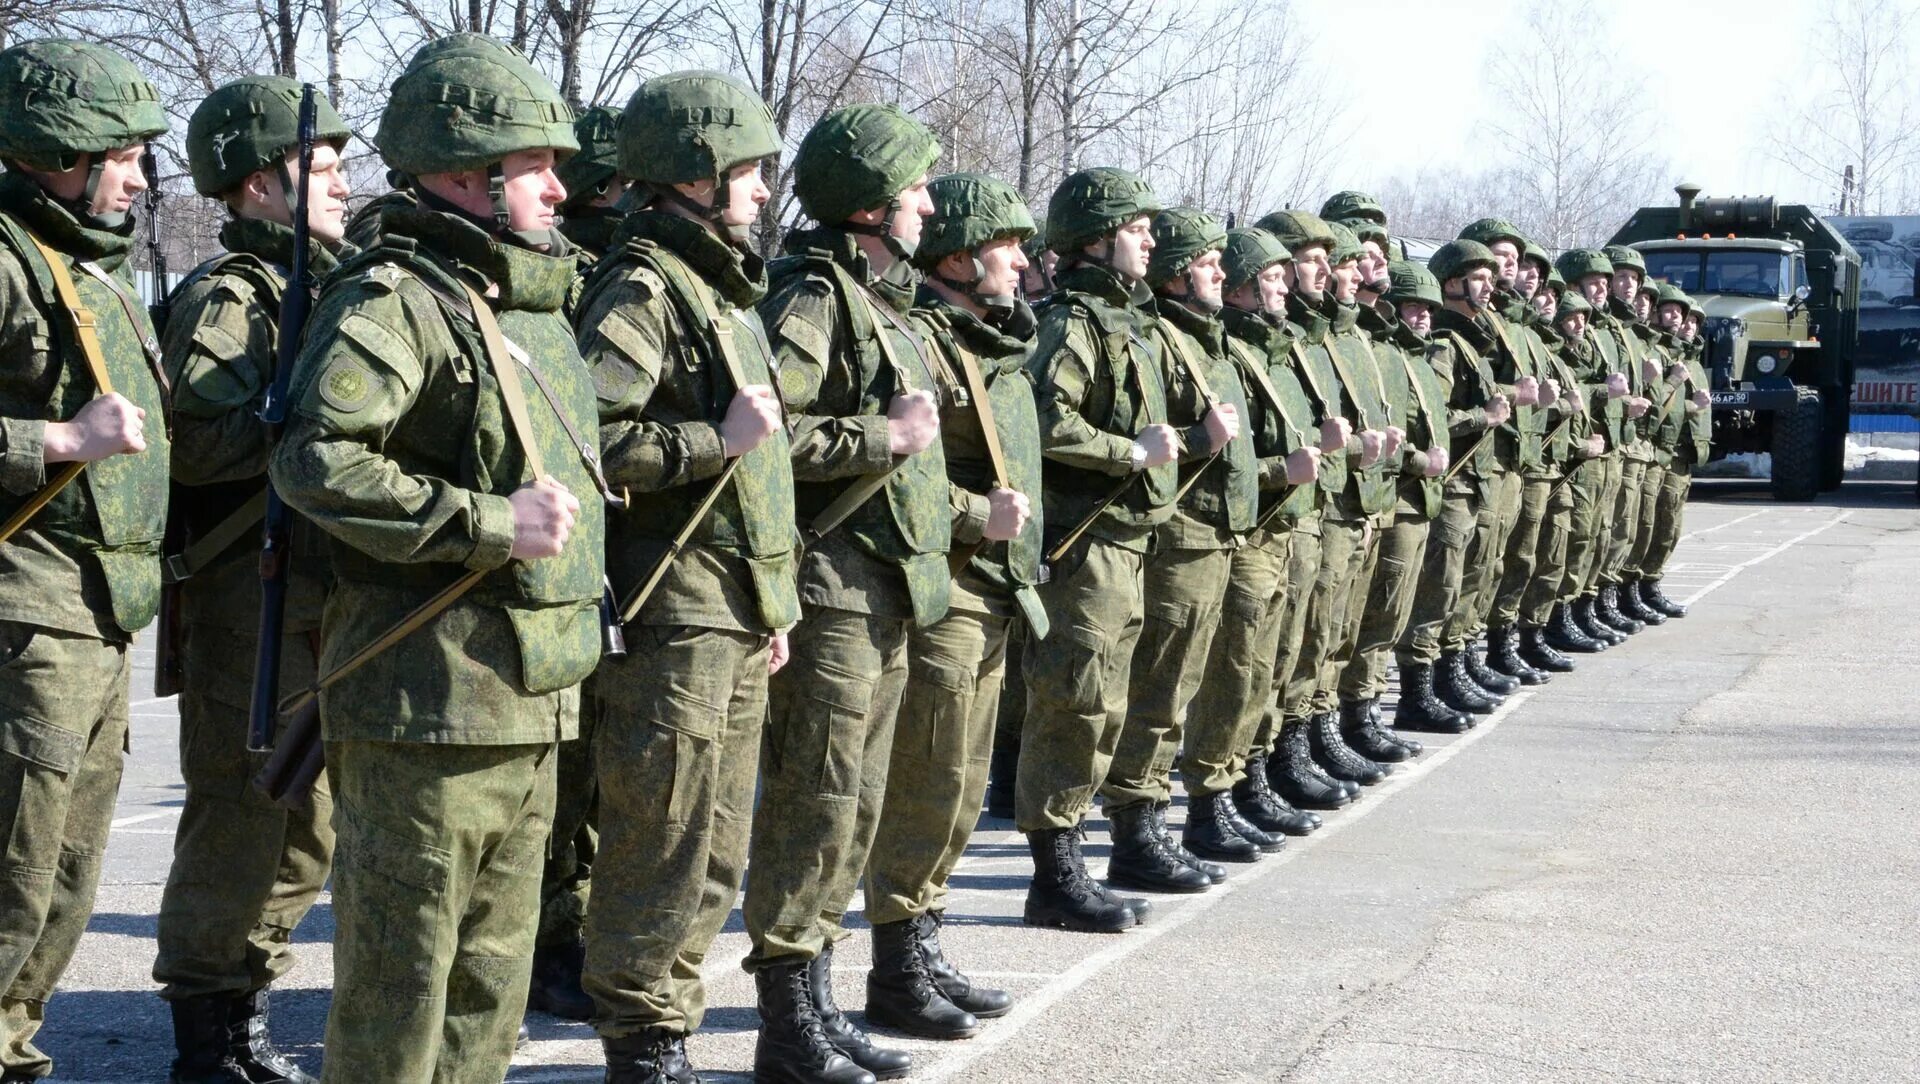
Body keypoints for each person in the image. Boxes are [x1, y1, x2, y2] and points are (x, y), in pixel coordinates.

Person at [268, 34, 606, 1082]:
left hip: (528, 701)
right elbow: (316, 460)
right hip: (425, 711)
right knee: (401, 988)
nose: (560, 184)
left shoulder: (518, 301)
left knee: (488, 990)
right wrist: (490, 521)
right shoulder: (396, 300)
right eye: (535, 163)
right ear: (466, 173)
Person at [570, 70, 796, 1083]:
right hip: (673, 609)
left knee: (712, 845)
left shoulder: (720, 287)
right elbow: (589, 441)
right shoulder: (644, 287)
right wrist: (715, 438)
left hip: (731, 608)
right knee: (661, 837)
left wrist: (769, 603)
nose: (758, 190)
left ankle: (669, 1023)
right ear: (696, 177)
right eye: (746, 172)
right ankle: (642, 1041)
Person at [155, 75, 354, 1084]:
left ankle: (249, 1004)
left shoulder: (320, 287)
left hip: (319, 597)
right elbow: (192, 443)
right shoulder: (229, 298)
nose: (341, 183)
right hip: (250, 596)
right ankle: (208, 1034)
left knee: (304, 825)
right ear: (256, 188)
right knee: (240, 817)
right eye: (319, 167)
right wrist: (296, 412)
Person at [745, 102, 947, 1084]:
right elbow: (772, 431)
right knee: (814, 806)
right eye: (912, 188)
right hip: (831, 587)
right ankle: (787, 1026)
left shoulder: (880, 302)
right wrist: (884, 437)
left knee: (855, 810)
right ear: (868, 205)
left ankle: (819, 1006)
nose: (927, 203)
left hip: (882, 590)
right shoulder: (814, 297)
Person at [0, 38, 170, 1083]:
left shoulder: (80, 265)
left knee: (64, 876)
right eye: (124, 152)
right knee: (14, 874)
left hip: (98, 612)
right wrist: (56, 444)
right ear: (61, 151)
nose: (141, 176)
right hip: (31, 607)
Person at [864, 170, 1043, 1037]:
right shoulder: (926, 345)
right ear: (962, 257)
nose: (1020, 261)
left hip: (993, 585)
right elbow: (904, 479)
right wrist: (981, 517)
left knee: (965, 785)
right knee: (927, 781)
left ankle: (923, 941)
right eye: (1005, 246)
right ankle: (896, 965)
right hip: (945, 588)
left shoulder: (990, 343)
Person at [1017, 166, 1175, 933]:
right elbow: (1046, 421)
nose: (1149, 238)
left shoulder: (1126, 324)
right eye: (1134, 226)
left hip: (1126, 542)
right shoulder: (1070, 323)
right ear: (1095, 239)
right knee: (1073, 705)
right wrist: (1130, 453)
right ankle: (1054, 873)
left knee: (1106, 705)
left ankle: (1081, 851)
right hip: (1085, 544)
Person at [1103, 206, 1257, 877]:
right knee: (1160, 690)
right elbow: (1151, 440)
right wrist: (1199, 443)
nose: (1220, 272)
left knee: (1190, 680)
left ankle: (1182, 813)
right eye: (1205, 262)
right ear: (1173, 275)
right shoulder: (1162, 338)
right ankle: (1136, 830)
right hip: (1180, 535)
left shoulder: (1205, 341)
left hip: (1215, 534)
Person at [1252, 209, 1374, 809]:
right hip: (1285, 514)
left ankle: (1298, 741)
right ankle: (1263, 763)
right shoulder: (1274, 341)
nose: (1327, 271)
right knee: (1270, 651)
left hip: (1318, 506)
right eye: (1311, 260)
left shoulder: (1317, 338)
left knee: (1317, 634)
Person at [1211, 227, 1328, 841]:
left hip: (1285, 526)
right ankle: (1218, 797)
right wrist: (1286, 470)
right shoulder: (1231, 354)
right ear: (1241, 288)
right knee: (1237, 672)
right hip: (1250, 531)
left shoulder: (1278, 351)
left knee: (1272, 666)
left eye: (1287, 275)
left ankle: (1250, 776)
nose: (1286, 286)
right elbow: (1219, 461)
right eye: (1274, 277)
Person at [1338, 255, 1449, 747]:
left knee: (1392, 612)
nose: (1422, 317)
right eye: (1411, 306)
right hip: (1389, 495)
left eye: (1429, 309)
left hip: (1408, 497)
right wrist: (1417, 460)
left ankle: (1366, 713)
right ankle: (1352, 719)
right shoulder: (1375, 351)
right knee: (1365, 618)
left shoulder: (1412, 358)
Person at [1423, 238, 1517, 719]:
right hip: (1456, 481)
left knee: (1473, 577)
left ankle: (1453, 667)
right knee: (1441, 584)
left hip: (1476, 480)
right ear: (1452, 284)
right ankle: (1423, 690)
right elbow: (1433, 418)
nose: (1490, 284)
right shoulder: (1444, 343)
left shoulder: (1473, 340)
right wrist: (1482, 416)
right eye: (1478, 278)